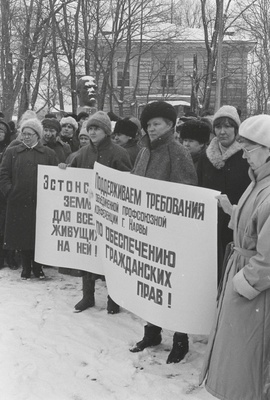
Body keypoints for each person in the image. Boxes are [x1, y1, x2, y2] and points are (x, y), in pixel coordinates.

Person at [200, 114, 270, 400]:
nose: (245, 157)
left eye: (250, 149)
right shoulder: (258, 182)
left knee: (249, 358)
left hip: (256, 292)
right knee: (238, 354)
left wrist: (243, 283)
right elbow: (253, 226)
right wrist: (233, 211)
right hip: (242, 275)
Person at [129, 101, 198, 363]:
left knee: (173, 285)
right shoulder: (144, 150)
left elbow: (186, 191)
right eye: (148, 124)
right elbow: (134, 181)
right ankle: (152, 332)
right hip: (147, 229)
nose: (152, 128)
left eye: (157, 123)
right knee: (151, 282)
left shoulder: (177, 151)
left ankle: (180, 339)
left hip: (170, 232)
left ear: (170, 125)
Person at [62, 111, 132, 313]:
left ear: (106, 131)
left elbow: (127, 181)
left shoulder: (119, 153)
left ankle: (114, 298)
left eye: (97, 128)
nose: (92, 132)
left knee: (110, 256)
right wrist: (62, 168)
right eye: (90, 128)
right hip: (87, 211)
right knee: (87, 252)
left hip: (111, 213)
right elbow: (71, 174)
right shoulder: (83, 152)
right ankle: (87, 296)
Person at [197, 105, 250, 284]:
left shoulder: (246, 155)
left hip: (238, 221)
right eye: (218, 127)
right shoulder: (206, 156)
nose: (222, 131)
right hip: (211, 221)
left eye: (228, 126)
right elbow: (199, 185)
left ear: (236, 129)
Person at [0, 118, 58, 279]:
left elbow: (55, 175)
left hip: (41, 203)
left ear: (37, 135)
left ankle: (38, 266)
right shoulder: (12, 152)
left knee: (39, 235)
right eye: (23, 133)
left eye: (29, 134)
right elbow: (3, 174)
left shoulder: (48, 154)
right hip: (18, 201)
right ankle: (26, 266)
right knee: (23, 235)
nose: (25, 137)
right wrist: (9, 191)